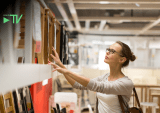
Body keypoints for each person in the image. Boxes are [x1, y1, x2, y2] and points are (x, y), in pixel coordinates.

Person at [48, 41, 136, 113]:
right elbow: (78, 85)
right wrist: (61, 65)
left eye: (112, 51)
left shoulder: (126, 83)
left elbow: (98, 86)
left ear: (122, 59)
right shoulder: (105, 77)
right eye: (108, 49)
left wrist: (67, 71)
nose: (107, 52)